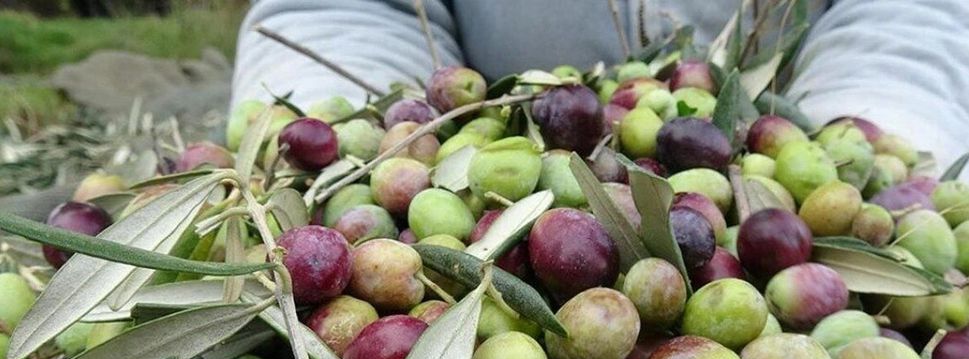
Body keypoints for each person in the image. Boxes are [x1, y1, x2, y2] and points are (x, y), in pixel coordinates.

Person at [231, 0, 969, 172]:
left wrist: (883, 143)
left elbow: (911, 13)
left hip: (783, 153)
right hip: (486, 157)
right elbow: (339, 10)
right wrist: (352, 145)